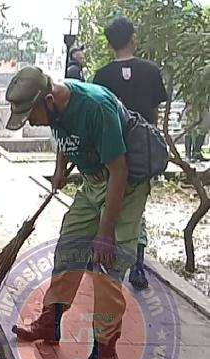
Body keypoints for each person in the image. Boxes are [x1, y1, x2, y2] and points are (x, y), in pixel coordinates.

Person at [6, 67, 150, 359]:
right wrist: (60, 168)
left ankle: (105, 355)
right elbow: (64, 136)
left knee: (106, 266)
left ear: (48, 100)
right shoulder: (56, 108)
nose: (30, 122)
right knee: (68, 247)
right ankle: (51, 321)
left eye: (30, 115)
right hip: (92, 181)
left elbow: (119, 171)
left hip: (124, 186)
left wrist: (105, 233)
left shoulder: (96, 107)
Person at [93, 15, 168, 291]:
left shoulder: (101, 76)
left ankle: (105, 259)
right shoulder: (151, 71)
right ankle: (137, 264)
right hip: (143, 150)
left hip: (113, 150)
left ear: (109, 43)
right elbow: (155, 115)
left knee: (109, 202)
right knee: (138, 207)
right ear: (132, 37)